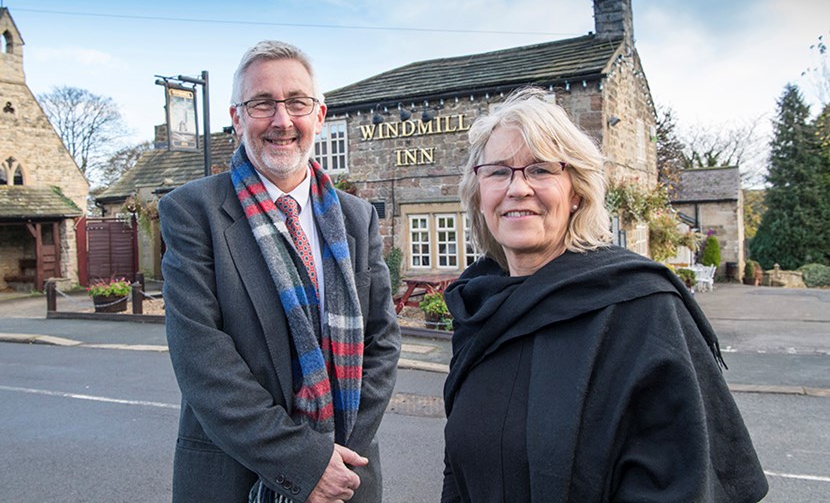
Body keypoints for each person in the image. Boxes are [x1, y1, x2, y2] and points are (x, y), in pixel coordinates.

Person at [441, 87, 768, 502]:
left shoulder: (643, 309)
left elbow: (684, 485)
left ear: (576, 192)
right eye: (498, 171)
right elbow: (460, 469)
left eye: (540, 170)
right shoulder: (477, 309)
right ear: (479, 192)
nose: (517, 188)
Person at [159, 40, 401, 503]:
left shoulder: (357, 216)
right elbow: (202, 359)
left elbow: (382, 340)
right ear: (236, 118)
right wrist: (305, 462)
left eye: (296, 102)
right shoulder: (193, 212)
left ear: (320, 114)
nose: (282, 120)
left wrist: (335, 456)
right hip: (234, 478)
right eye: (262, 103)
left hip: (347, 476)